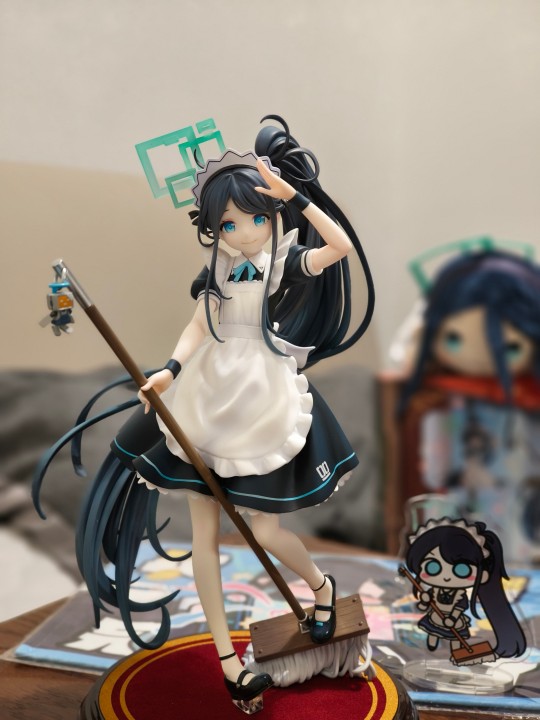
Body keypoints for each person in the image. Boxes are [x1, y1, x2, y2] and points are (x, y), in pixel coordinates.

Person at [34, 116, 374, 708]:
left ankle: (321, 588)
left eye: (255, 218)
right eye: (228, 224)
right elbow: (199, 324)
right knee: (205, 535)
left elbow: (340, 246)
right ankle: (227, 662)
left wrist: (295, 198)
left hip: (260, 394)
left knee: (265, 530)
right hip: (206, 393)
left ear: (272, 214)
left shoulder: (285, 259)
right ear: (213, 226)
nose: (243, 233)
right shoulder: (217, 266)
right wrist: (170, 368)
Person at [404, 517, 526, 663]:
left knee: (455, 638)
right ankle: (432, 643)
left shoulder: (460, 595)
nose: (446, 577)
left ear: (483, 575)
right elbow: (425, 605)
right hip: (436, 618)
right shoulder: (434, 591)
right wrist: (424, 602)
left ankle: (457, 655)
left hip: (453, 621)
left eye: (462, 570)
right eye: (433, 567)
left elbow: (460, 607)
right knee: (433, 631)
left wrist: (452, 618)